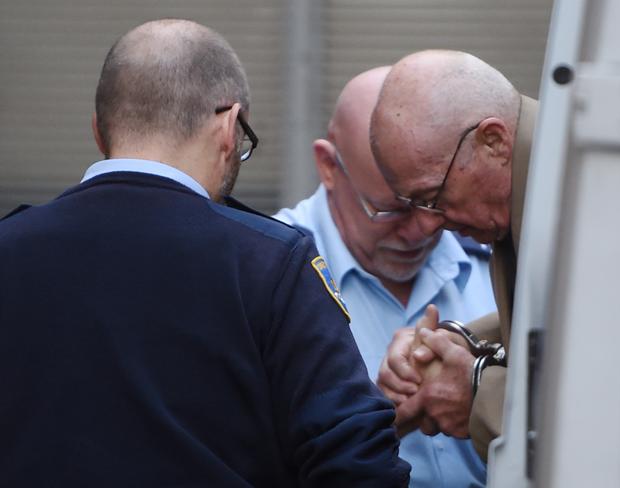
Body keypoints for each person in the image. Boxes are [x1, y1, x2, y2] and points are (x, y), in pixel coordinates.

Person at [0, 20, 410, 486]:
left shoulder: (8, 249)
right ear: (230, 127)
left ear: (99, 130)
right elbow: (357, 459)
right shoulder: (271, 263)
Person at [275, 66, 496, 487]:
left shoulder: (495, 253)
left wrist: (484, 387)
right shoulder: (267, 277)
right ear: (328, 165)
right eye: (392, 210)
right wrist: (373, 415)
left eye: (433, 200)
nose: (424, 229)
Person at [369, 49, 538, 461]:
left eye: (434, 196)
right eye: (412, 204)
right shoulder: (547, 186)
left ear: (493, 141)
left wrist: (479, 395)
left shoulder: (605, 197)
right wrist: (455, 342)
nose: (429, 226)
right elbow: (576, 318)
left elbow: (619, 397)